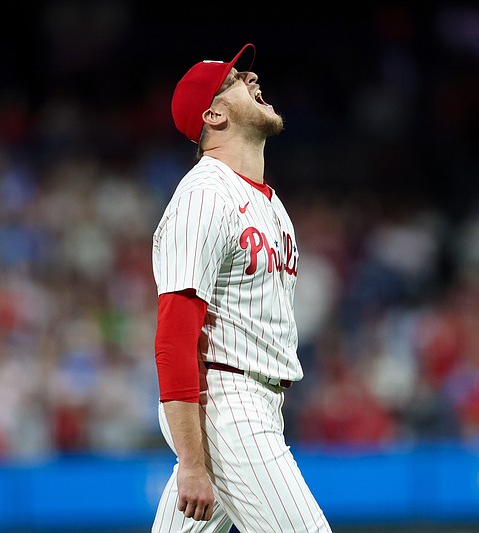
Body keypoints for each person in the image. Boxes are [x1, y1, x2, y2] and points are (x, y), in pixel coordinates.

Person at [151, 43, 333, 532]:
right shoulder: (204, 196)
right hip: (227, 401)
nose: (252, 79)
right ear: (213, 114)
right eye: (235, 80)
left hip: (256, 403)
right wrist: (192, 461)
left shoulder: (269, 204)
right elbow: (173, 339)